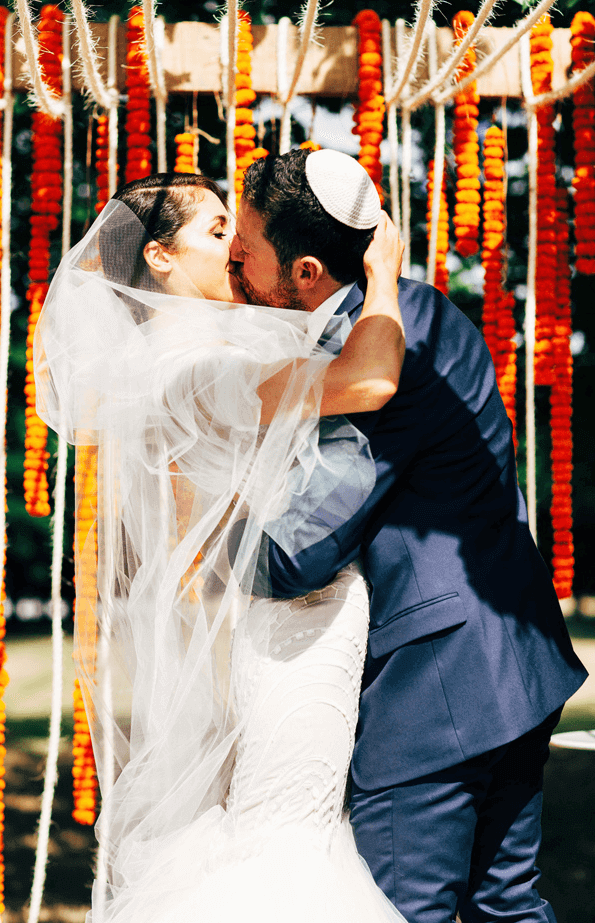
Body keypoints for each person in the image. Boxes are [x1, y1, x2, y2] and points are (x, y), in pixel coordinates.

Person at [34, 172, 408, 923]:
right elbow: (367, 380)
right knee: (286, 848)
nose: (238, 248)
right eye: (215, 232)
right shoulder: (196, 369)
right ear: (160, 260)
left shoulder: (196, 358)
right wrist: (385, 278)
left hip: (271, 619)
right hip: (289, 623)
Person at [229, 147, 588, 923]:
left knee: (404, 910)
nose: (234, 264)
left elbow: (299, 551)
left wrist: (206, 534)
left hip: (440, 685)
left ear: (306, 274)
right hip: (511, 660)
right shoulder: (418, 309)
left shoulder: (383, 348)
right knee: (507, 906)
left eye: (247, 250)